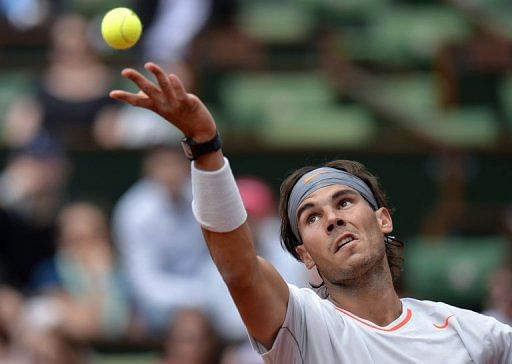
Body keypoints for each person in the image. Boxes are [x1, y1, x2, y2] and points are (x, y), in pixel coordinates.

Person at [110, 62, 512, 363]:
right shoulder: (304, 326)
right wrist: (205, 145)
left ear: (382, 219)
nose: (333, 219)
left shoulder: (468, 333)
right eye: (312, 217)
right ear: (304, 255)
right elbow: (239, 269)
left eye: (344, 202)